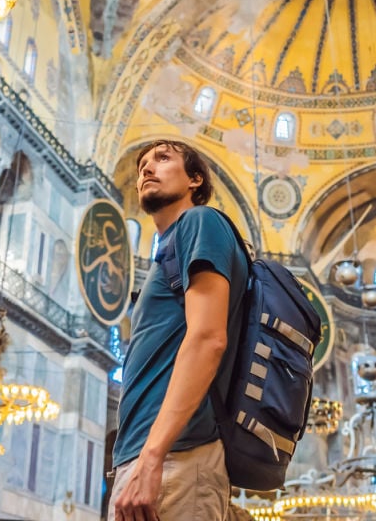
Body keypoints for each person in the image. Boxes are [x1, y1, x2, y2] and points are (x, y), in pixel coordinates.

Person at [109, 140, 249, 521]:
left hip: (175, 457)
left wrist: (153, 455)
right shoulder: (168, 250)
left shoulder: (199, 222)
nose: (147, 169)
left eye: (163, 158)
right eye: (142, 165)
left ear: (195, 180)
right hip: (150, 457)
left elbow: (208, 338)